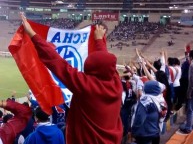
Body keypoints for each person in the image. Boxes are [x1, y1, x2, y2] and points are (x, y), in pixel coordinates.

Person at [20, 13, 123, 144]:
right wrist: (99, 40)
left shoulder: (85, 85)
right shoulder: (116, 84)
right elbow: (107, 64)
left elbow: (57, 62)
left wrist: (32, 34)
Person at [179, 50, 193, 134]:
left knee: (190, 109)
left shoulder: (192, 65)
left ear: (191, 57)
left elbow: (191, 80)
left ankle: (188, 127)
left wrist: (188, 93)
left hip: (192, 90)